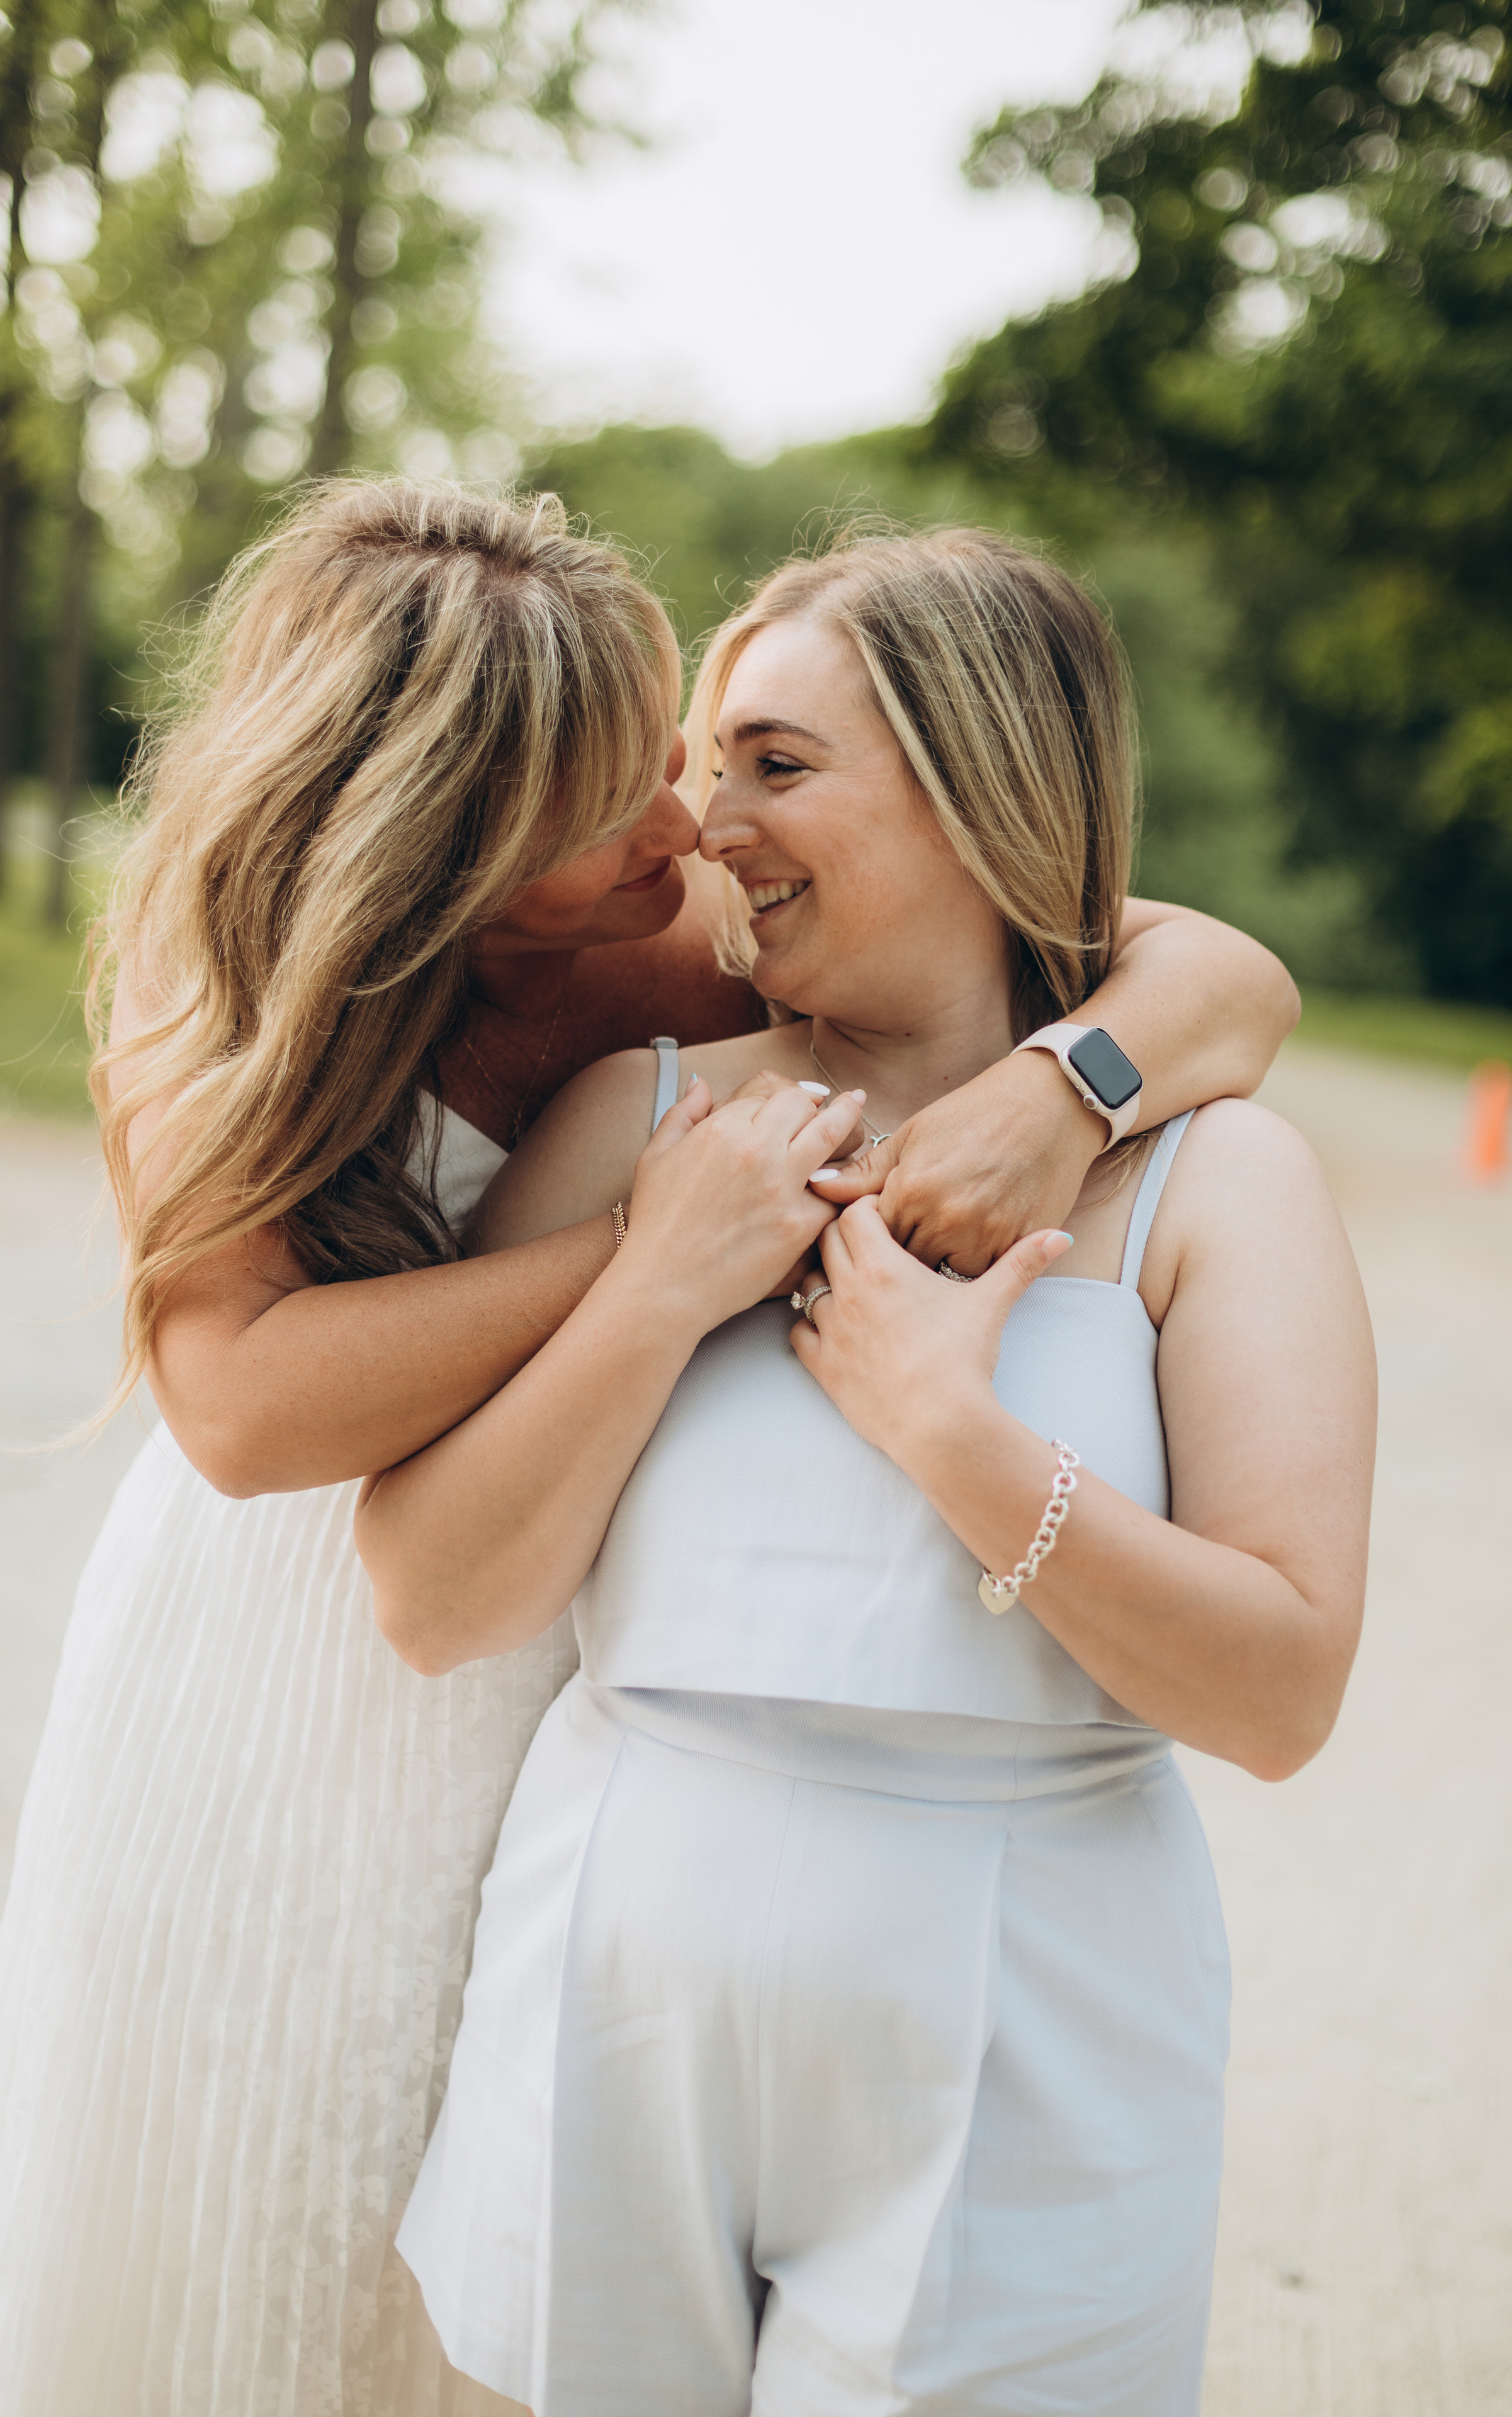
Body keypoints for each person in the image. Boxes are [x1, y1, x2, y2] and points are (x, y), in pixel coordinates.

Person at [0, 486, 1295, 2417]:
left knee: (477, 2221)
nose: (685, 828)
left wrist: (1068, 1093)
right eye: (609, 807)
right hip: (270, 1643)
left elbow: (1206, 970)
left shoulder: (672, 947)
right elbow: (238, 1413)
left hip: (538, 1627)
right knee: (223, 2207)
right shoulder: (217, 979)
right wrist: (643, 1256)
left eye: (681, 760)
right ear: (446, 848)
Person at [366, 528, 1377, 2417]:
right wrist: (658, 1288)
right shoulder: (643, 1116)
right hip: (613, 1986)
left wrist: (953, 1440)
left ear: (985, 779)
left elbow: (1284, 1690)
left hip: (1025, 2037)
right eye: (703, 764)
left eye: (775, 762)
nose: (704, 822)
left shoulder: (1212, 1184)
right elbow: (434, 1600)